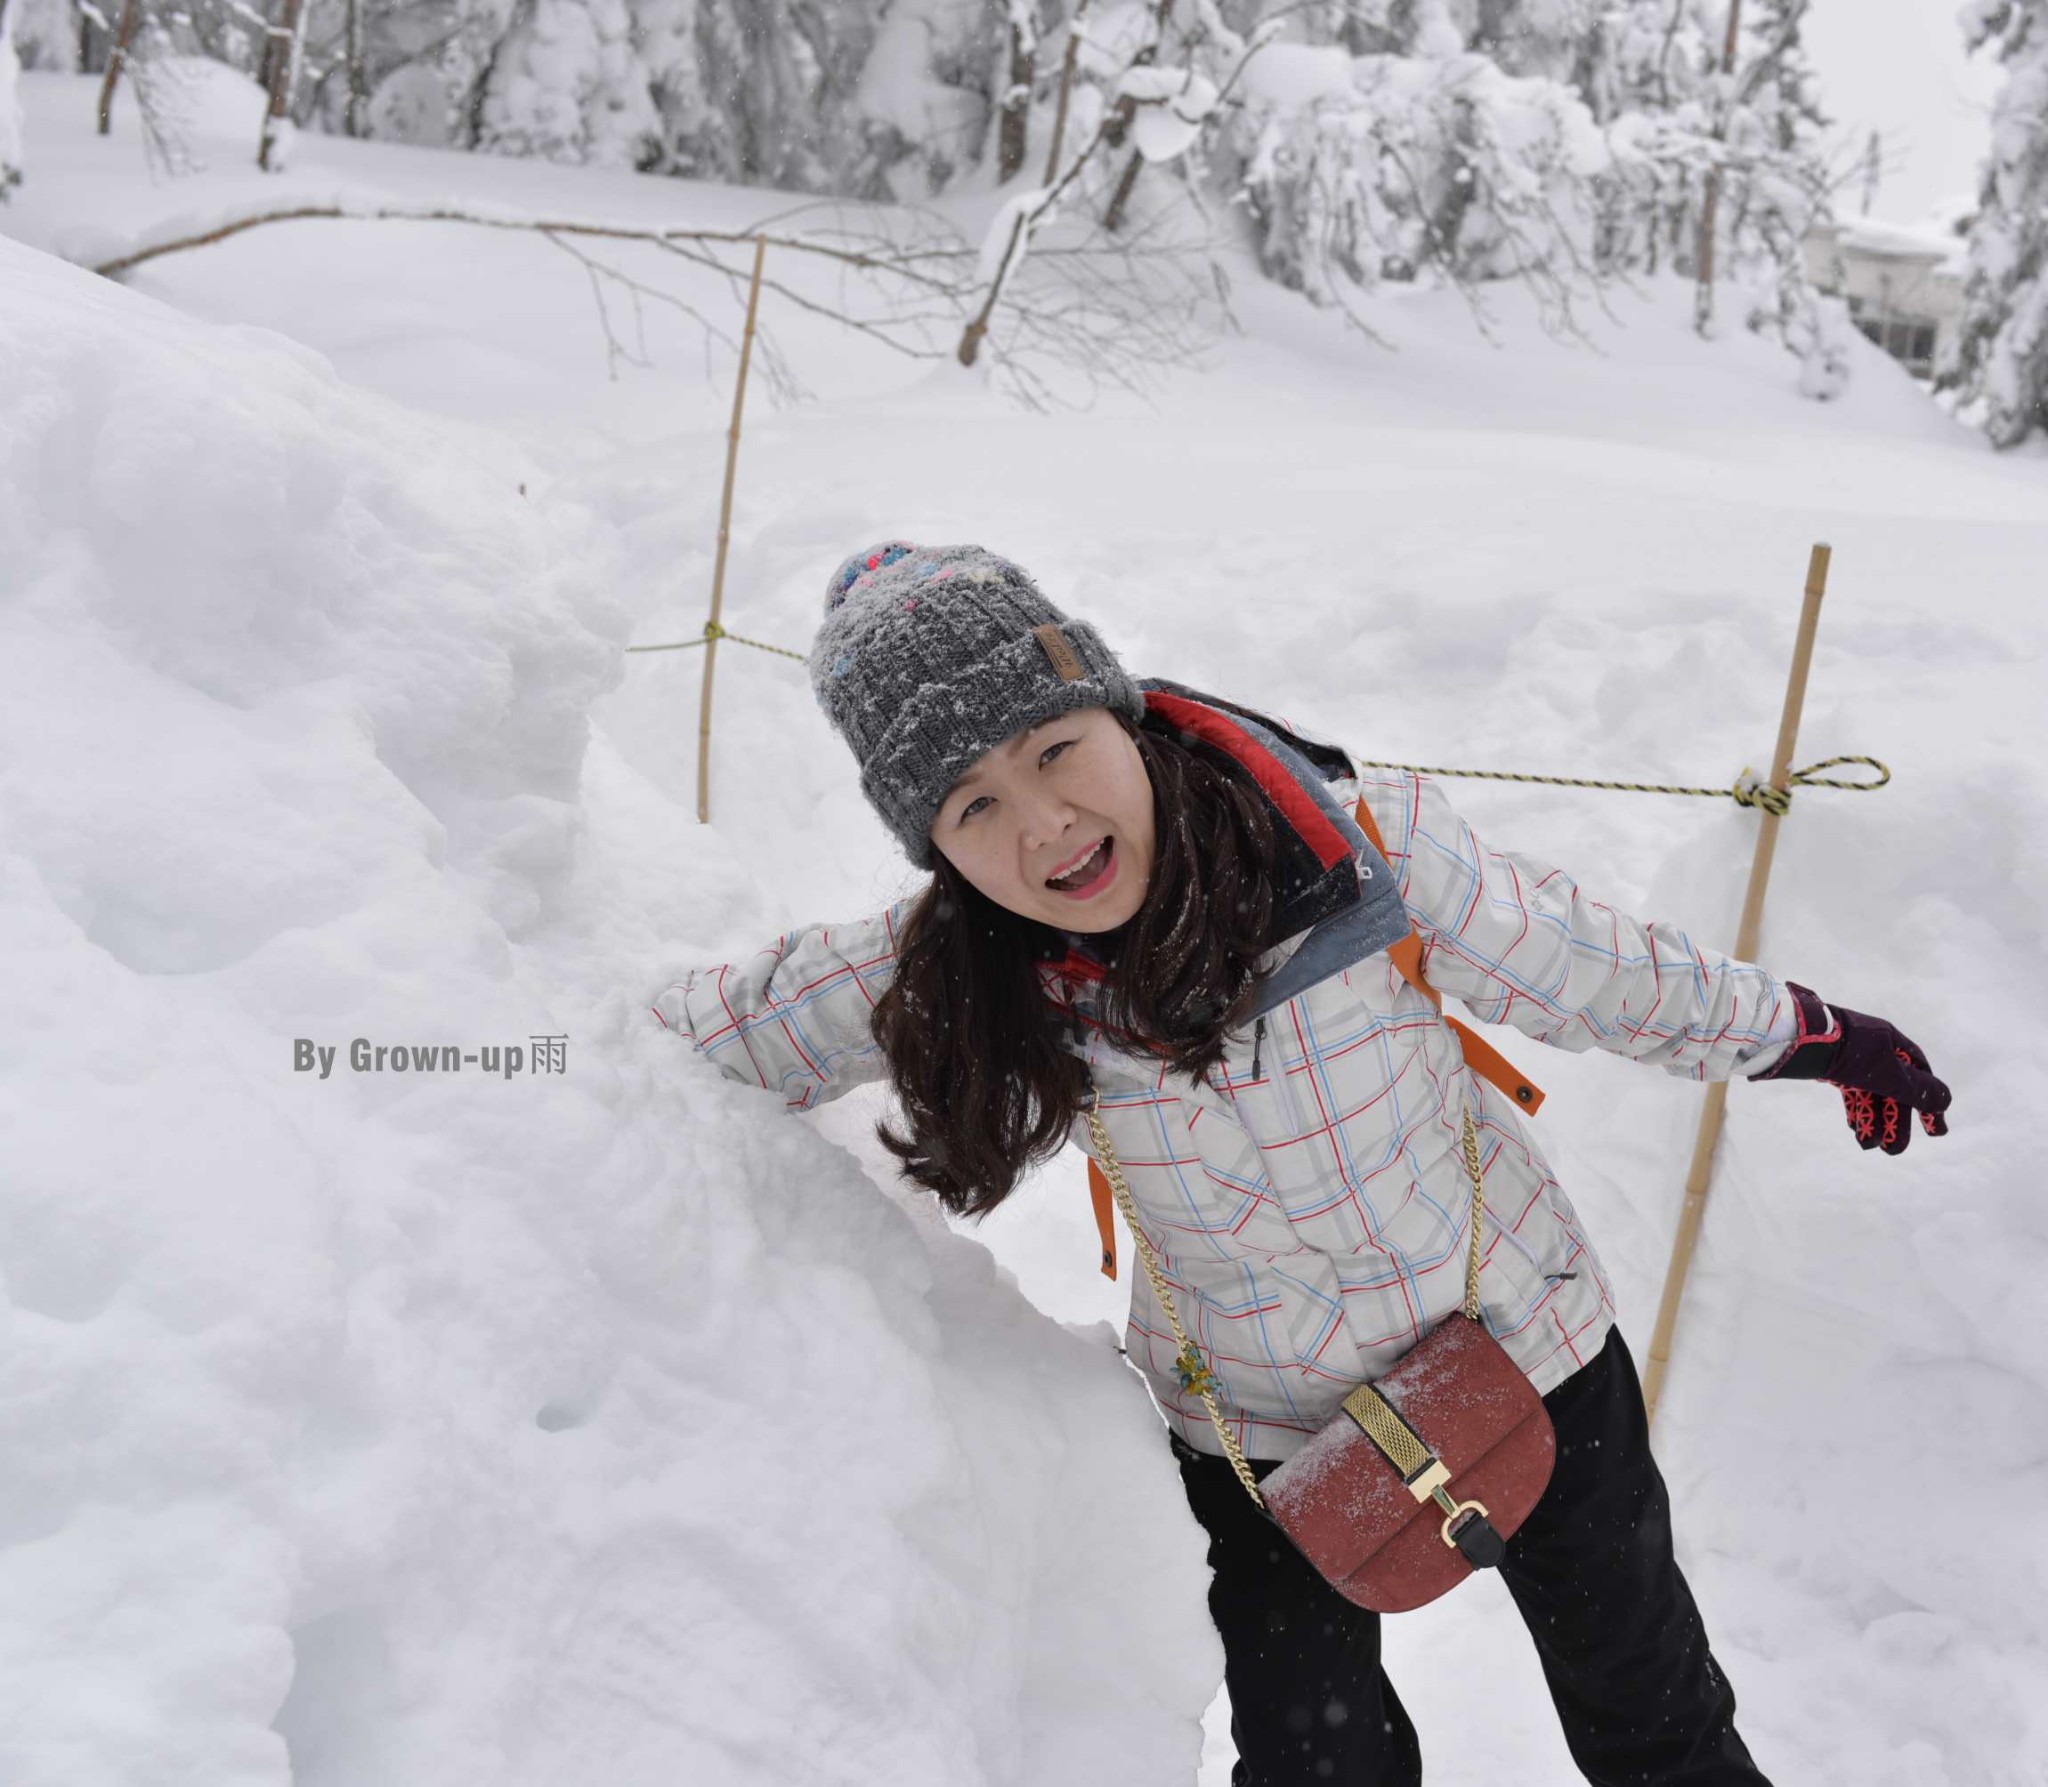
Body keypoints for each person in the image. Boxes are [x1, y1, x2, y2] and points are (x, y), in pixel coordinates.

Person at [652, 540, 1952, 1786]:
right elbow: (722, 1026)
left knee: (1654, 1720)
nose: (1044, 824)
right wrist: (507, 1029)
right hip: (1258, 1425)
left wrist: (1818, 1036)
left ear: (1125, 717)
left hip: (1526, 1343)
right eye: (972, 805)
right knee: (1314, 1766)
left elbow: (1602, 976)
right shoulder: (963, 959)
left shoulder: (1356, 850)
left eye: (1056, 749)